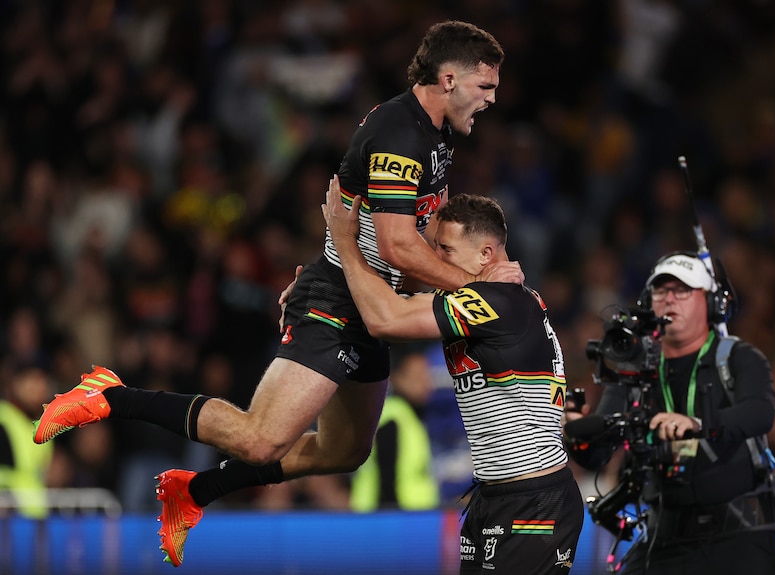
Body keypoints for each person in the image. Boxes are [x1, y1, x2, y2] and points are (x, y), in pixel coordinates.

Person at [33, 20, 522, 567]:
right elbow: (399, 245)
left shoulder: (436, 132)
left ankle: (193, 491)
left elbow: (418, 234)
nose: (493, 98)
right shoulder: (399, 133)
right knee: (260, 440)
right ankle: (108, 395)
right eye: (486, 86)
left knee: (345, 450)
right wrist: (481, 289)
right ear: (450, 78)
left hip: (365, 298)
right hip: (339, 301)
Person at [324, 180, 584, 574]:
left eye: (445, 251)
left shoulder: (499, 301)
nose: (434, 260)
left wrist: (345, 242)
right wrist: (317, 291)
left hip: (533, 500)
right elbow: (387, 294)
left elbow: (384, 318)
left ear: (485, 254)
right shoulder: (487, 294)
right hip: (493, 495)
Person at [565, 251, 775, 575]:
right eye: (661, 291)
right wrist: (580, 432)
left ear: (709, 303)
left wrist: (698, 424)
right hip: (664, 535)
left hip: (738, 535)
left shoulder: (738, 357)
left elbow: (761, 414)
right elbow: (595, 455)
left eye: (682, 290)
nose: (669, 299)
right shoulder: (633, 367)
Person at [349, 343, 439, 512]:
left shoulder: (408, 415)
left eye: (427, 376)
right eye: (418, 377)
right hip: (391, 520)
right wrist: (390, 525)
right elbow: (386, 478)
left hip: (407, 520)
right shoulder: (393, 418)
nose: (426, 384)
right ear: (398, 379)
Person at [0, 363, 56, 518]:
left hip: (35, 516)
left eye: (42, 382)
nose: (38, 389)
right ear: (15, 384)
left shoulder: (45, 424)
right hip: (7, 515)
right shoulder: (3, 418)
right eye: (32, 382)